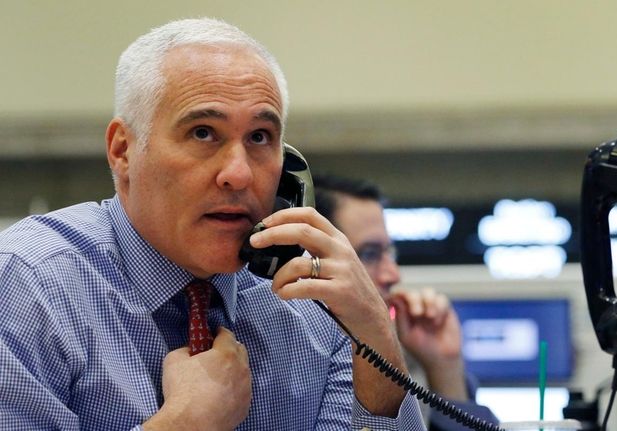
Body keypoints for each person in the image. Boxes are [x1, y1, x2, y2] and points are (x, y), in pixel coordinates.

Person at [0, 18, 425, 430]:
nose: (238, 174)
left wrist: (377, 342)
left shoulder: (309, 307)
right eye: (203, 133)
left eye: (259, 137)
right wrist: (183, 424)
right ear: (123, 150)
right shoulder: (30, 284)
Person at [313, 174, 498, 430]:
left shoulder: (403, 357)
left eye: (390, 252)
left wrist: (444, 369)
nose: (393, 274)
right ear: (310, 253)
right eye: (370, 254)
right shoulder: (297, 359)